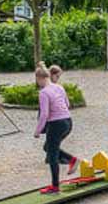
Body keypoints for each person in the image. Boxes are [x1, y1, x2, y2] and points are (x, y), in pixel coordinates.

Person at [34, 64, 79, 194]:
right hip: (68, 122)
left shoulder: (43, 93)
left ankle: (55, 186)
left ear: (39, 78)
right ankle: (72, 159)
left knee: (52, 156)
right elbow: (67, 104)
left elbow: (44, 114)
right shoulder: (59, 87)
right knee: (48, 147)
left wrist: (37, 131)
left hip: (56, 124)